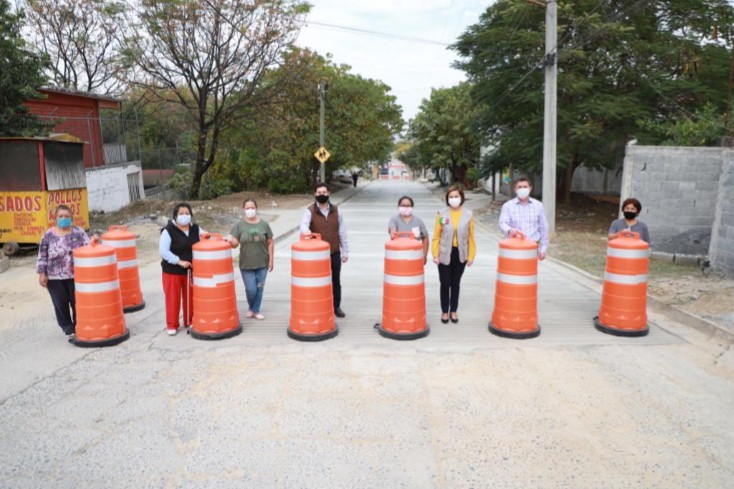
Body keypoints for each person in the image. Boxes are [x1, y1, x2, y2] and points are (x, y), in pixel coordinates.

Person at [37, 205, 91, 341]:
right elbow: (42, 255)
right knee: (60, 303)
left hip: (77, 275)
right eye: (60, 216)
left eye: (66, 216)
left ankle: (80, 326)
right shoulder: (48, 235)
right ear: (55, 218)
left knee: (77, 302)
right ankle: (68, 328)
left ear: (71, 217)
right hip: (54, 277)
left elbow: (89, 248)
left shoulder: (79, 232)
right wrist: (42, 273)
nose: (64, 219)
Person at [300, 182, 349, 318]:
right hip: (317, 255)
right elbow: (303, 225)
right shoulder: (309, 211)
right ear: (315, 194)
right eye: (319, 193)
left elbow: (342, 232)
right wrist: (307, 231)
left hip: (334, 252)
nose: (321, 195)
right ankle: (319, 306)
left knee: (335, 280)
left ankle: (336, 307)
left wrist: (345, 251)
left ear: (329, 193)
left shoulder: (337, 211)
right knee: (318, 282)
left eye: (324, 192)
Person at [431, 185, 476, 324]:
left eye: (456, 196)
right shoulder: (441, 214)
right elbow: (436, 236)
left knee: (455, 283)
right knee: (445, 283)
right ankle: (445, 311)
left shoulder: (468, 215)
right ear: (447, 199)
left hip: (460, 254)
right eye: (451, 197)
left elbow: (471, 237)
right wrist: (435, 254)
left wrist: (471, 256)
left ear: (461, 197)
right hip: (444, 253)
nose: (454, 199)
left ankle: (453, 310)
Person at [159, 203, 205, 336]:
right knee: (172, 298)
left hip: (189, 271)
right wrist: (179, 261)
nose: (184, 216)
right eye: (181, 213)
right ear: (175, 216)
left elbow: (207, 237)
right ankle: (172, 325)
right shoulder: (168, 231)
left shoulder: (195, 229)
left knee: (190, 297)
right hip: (171, 271)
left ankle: (189, 321)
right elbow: (163, 251)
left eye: (187, 213)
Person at [228, 198, 274, 320]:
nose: (250, 210)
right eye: (247, 208)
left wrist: (271, 260)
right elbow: (235, 243)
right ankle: (251, 306)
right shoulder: (239, 225)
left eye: (252, 207)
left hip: (262, 263)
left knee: (259, 288)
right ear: (244, 210)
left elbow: (270, 242)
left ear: (256, 208)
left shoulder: (264, 224)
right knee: (251, 289)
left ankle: (255, 310)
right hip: (246, 264)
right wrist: (230, 242)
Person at [498, 177, 549, 260]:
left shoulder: (538, 206)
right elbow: (502, 223)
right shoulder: (508, 206)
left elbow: (543, 228)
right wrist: (510, 230)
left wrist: (543, 249)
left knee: (530, 272)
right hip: (513, 248)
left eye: (525, 187)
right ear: (515, 189)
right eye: (520, 187)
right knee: (512, 272)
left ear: (530, 188)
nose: (522, 189)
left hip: (532, 247)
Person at [388, 195, 429, 264]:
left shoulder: (418, 221)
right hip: (399, 254)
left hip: (415, 254)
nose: (405, 208)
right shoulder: (394, 220)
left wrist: (424, 255)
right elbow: (392, 231)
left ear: (412, 207)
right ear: (398, 206)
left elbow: (425, 237)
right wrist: (393, 233)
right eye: (403, 205)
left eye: (408, 206)